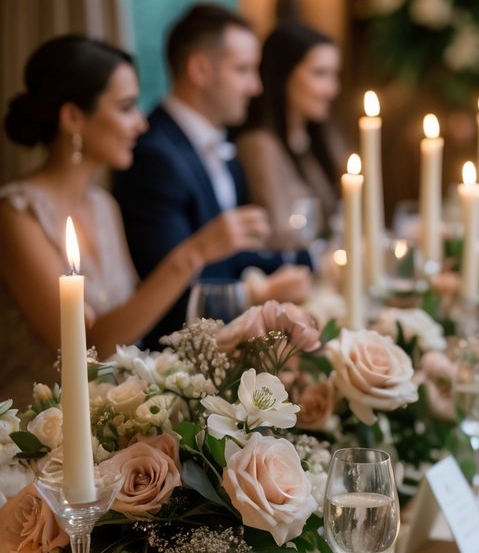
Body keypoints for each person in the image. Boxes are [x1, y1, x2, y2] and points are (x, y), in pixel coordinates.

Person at [0, 35, 282, 405]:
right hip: (36, 431)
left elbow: (132, 327)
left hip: (114, 414)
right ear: (73, 117)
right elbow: (88, 348)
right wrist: (194, 253)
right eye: (126, 107)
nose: (141, 124)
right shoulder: (16, 215)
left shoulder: (104, 206)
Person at [113, 2, 310, 348]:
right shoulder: (154, 156)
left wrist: (307, 259)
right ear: (201, 70)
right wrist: (257, 292)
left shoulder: (220, 144)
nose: (256, 87)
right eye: (244, 70)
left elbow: (233, 255)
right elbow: (175, 292)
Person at [235, 21, 346, 251]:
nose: (332, 89)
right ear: (283, 75)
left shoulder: (320, 138)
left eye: (334, 75)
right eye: (320, 74)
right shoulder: (259, 145)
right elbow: (277, 237)